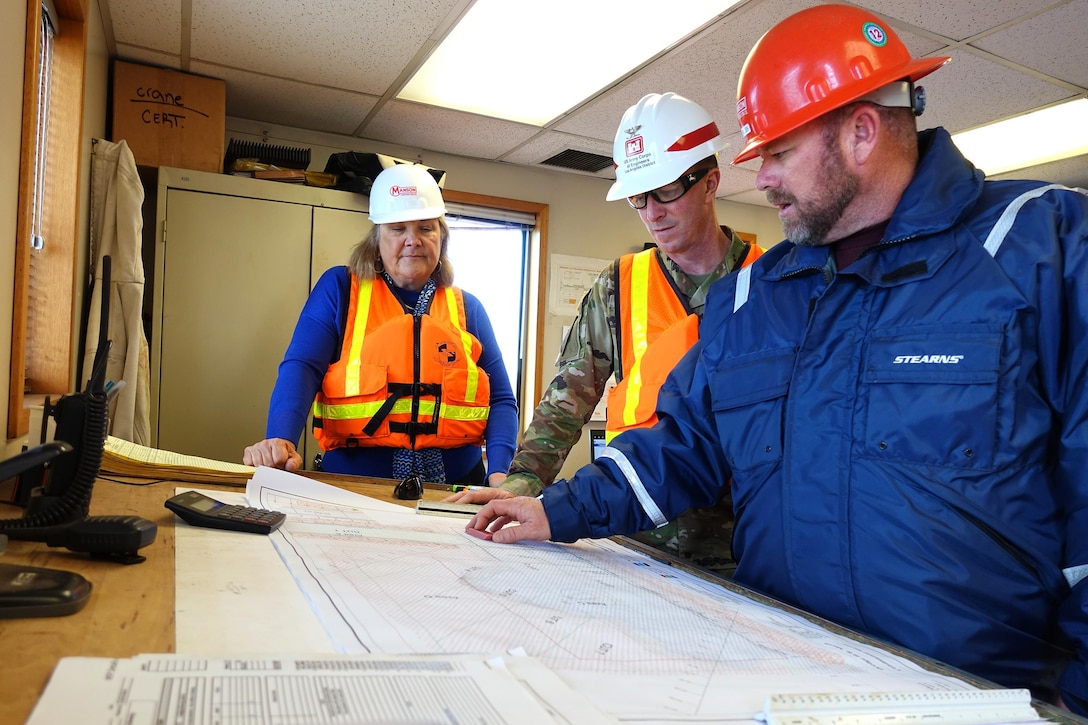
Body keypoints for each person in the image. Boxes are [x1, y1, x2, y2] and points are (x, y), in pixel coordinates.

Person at [465, 3, 1088, 714]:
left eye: (780, 152)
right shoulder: (755, 296)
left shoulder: (1043, 249)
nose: (760, 180)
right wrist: (555, 508)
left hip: (974, 697)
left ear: (860, 131)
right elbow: (681, 445)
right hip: (776, 677)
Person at [447, 92, 762, 573]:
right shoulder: (620, 284)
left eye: (666, 190)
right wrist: (522, 482)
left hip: (738, 546)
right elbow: (566, 401)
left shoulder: (767, 284)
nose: (652, 211)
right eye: (639, 197)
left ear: (709, 183)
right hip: (636, 536)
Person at [244, 163, 517, 489]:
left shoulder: (468, 308)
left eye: (426, 228)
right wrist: (280, 439)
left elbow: (501, 399)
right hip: (355, 487)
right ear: (376, 239)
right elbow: (301, 368)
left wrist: (499, 473)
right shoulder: (340, 289)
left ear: (441, 239)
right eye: (398, 229)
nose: (413, 240)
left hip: (454, 488)